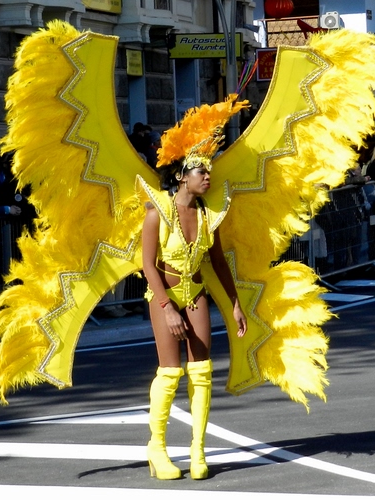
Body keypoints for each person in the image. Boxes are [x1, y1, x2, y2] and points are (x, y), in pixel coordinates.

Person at [141, 110, 247, 480]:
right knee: (171, 373)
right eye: (201, 171)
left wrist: (234, 304)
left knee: (201, 372)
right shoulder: (157, 212)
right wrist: (167, 308)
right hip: (165, 295)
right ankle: (157, 449)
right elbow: (148, 265)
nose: (207, 177)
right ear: (181, 176)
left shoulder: (207, 216)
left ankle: (197, 451)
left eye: (208, 171)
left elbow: (218, 262)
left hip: (197, 293)